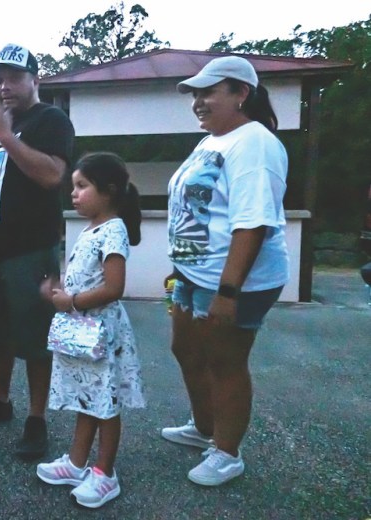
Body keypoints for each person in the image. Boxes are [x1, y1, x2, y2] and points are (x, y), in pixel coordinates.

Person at [162, 56, 289, 486]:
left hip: (233, 281)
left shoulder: (255, 143)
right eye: (195, 94)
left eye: (208, 92)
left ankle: (227, 452)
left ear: (241, 94)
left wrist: (228, 293)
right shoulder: (212, 140)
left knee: (225, 363)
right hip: (191, 274)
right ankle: (204, 428)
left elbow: (252, 223)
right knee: (185, 349)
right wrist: (179, 268)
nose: (198, 102)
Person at [0, 44, 75, 459]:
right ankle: (0, 399)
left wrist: (5, 136)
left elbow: (53, 175)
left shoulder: (50, 120)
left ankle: (37, 418)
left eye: (14, 78)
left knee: (35, 336)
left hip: (31, 248)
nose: (4, 87)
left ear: (35, 79)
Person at [35, 152, 145, 508]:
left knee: (106, 405)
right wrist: (59, 293)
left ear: (108, 190)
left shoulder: (113, 230)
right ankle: (76, 462)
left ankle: (104, 473)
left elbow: (114, 287)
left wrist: (71, 300)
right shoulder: (90, 229)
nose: (74, 193)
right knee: (88, 398)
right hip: (85, 333)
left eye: (82, 186)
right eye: (73, 186)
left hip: (102, 334)